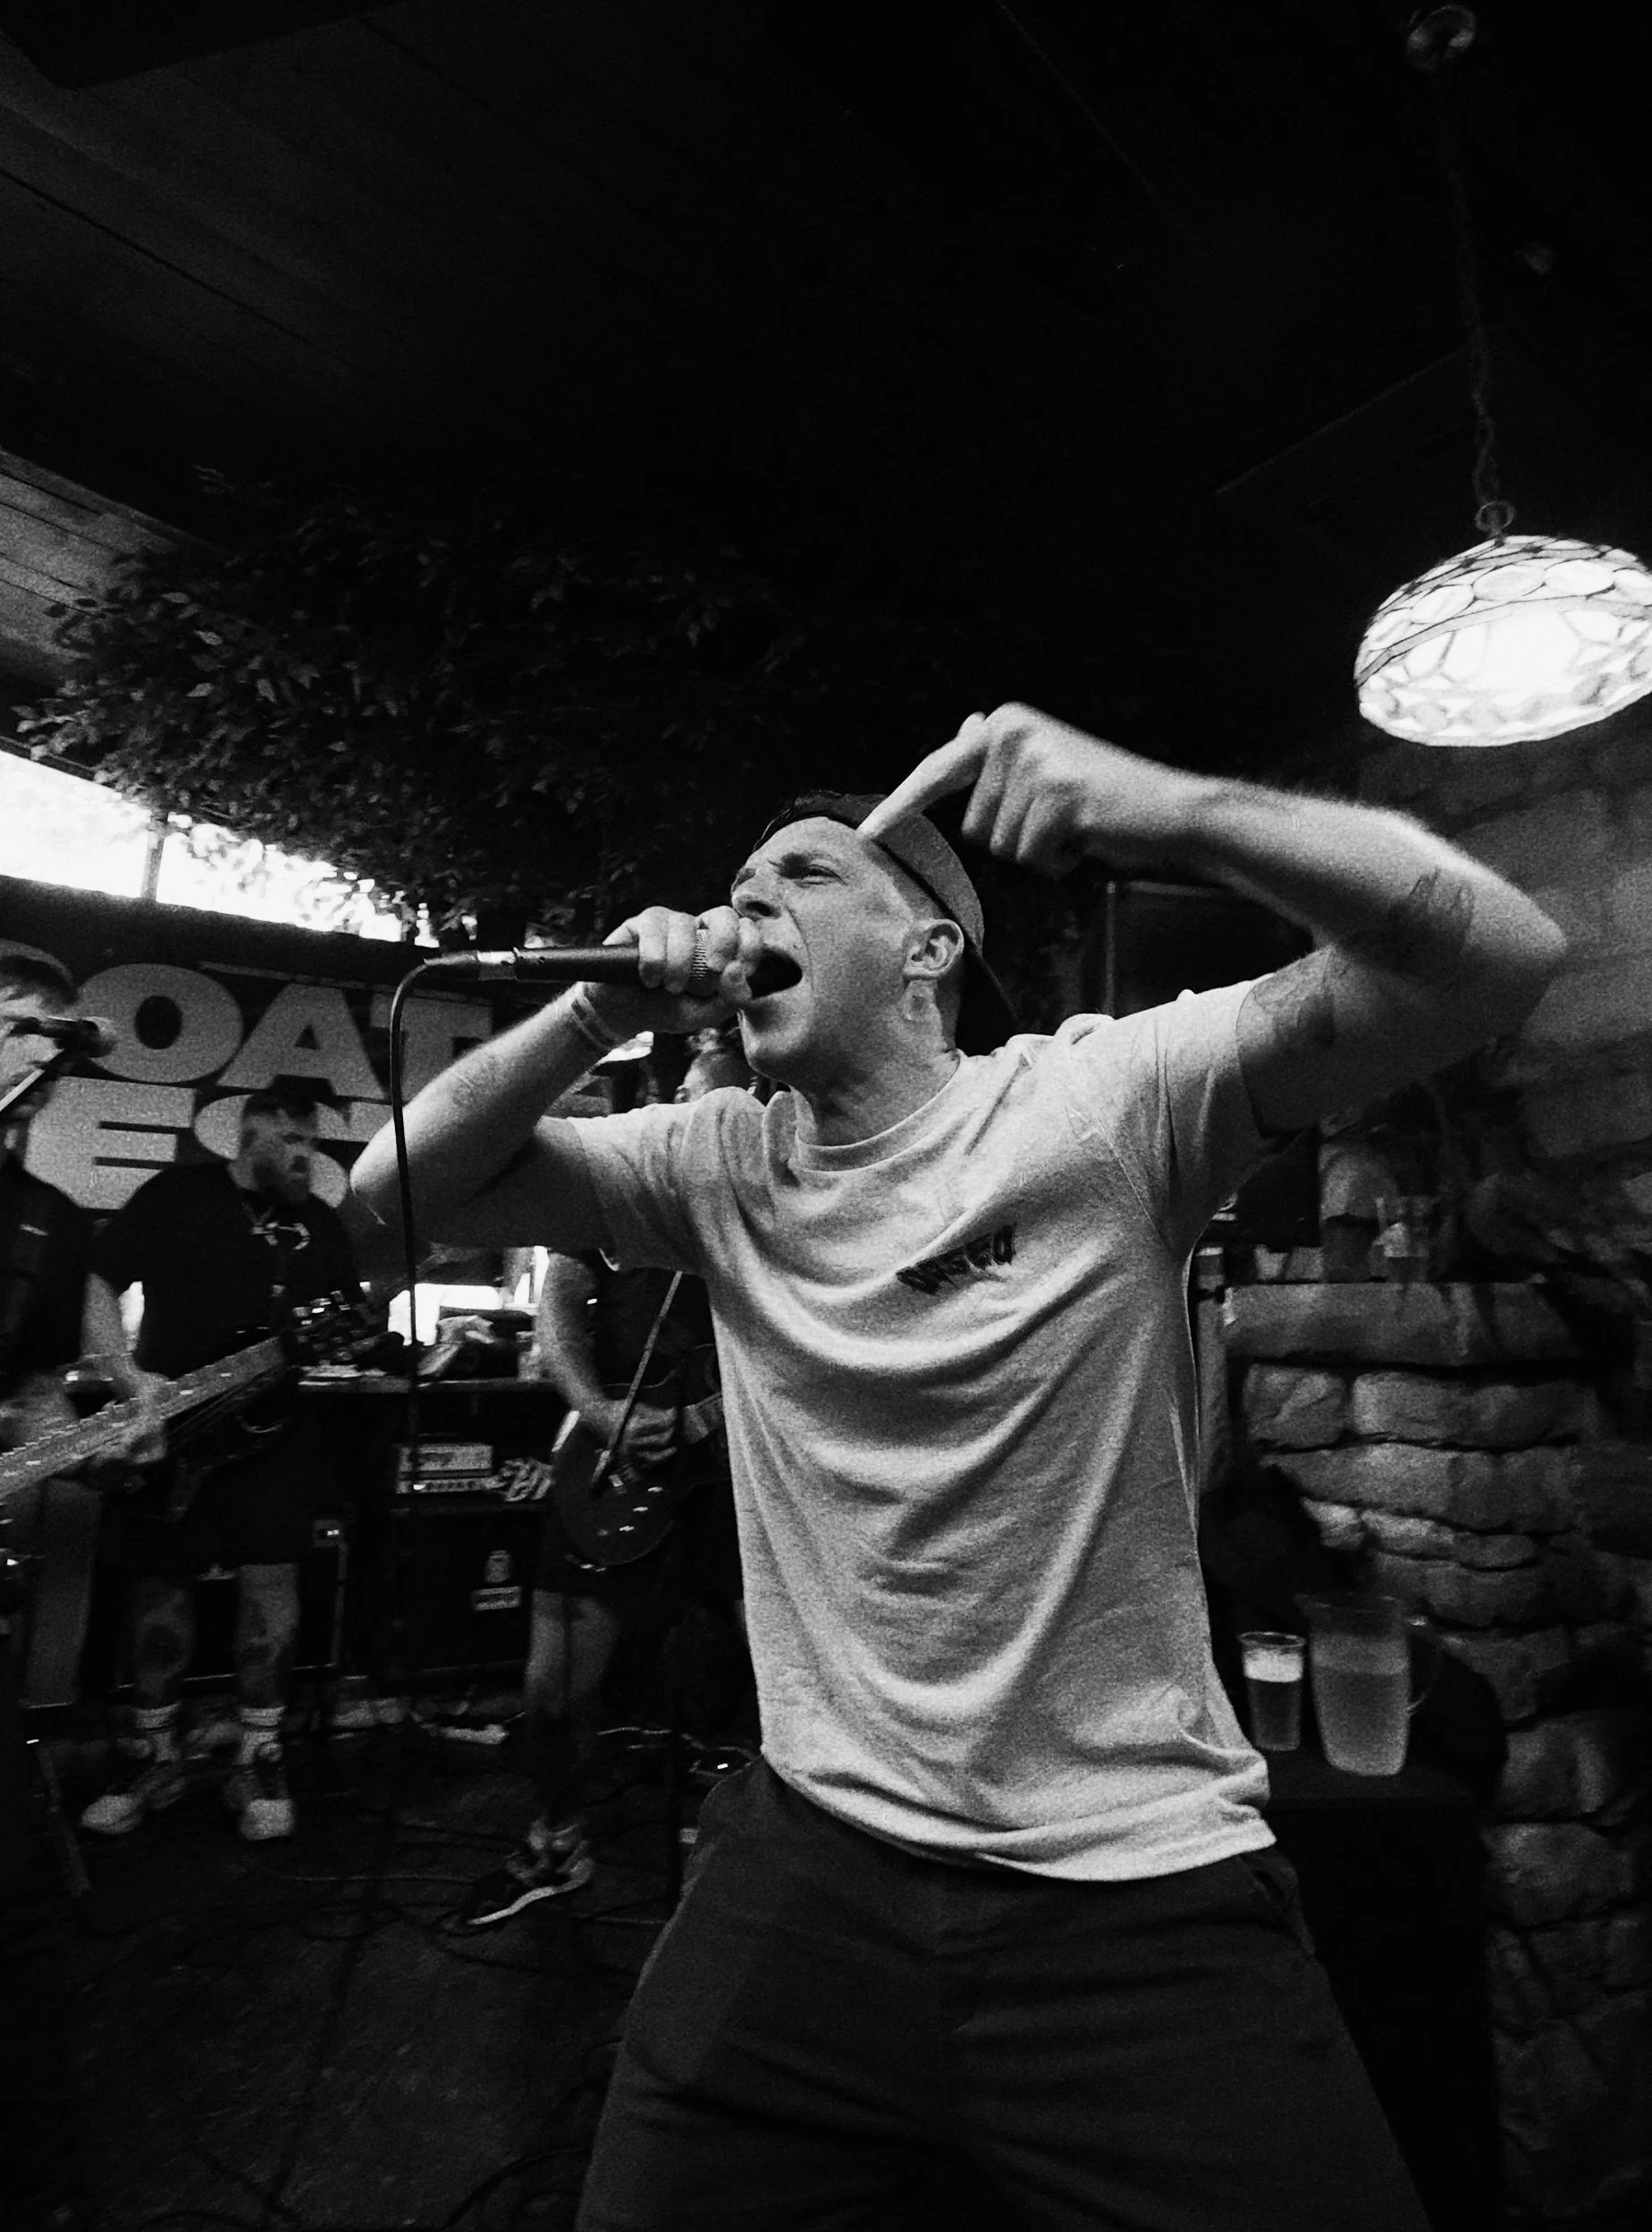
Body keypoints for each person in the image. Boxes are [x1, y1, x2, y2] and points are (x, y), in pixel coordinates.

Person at [353, 702, 1564, 2231]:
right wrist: (594, 1009)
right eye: (735, 886)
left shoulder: (1097, 1098)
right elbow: (387, 1196)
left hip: (1126, 1889)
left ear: (925, 948)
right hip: (809, 1865)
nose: (745, 906)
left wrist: (1173, 804)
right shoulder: (716, 1157)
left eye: (800, 874)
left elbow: (1494, 952)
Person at [460, 1036, 750, 1930]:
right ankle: (557, 1836)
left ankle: (758, 1855)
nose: (704, 1118)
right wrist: (591, 1405)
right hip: (618, 1459)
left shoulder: (785, 1192)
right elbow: (559, 1304)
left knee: (775, 1676)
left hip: (742, 1474)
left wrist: (714, 1416)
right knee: (552, 1688)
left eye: (726, 1102)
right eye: (695, 1096)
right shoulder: (627, 1185)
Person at [79, 1079, 361, 1844]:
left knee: (273, 1588)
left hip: (278, 1435)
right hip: (171, 1429)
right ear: (253, 1133)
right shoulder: (178, 1196)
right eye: (295, 1139)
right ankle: (153, 1755)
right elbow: (97, 1283)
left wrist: (353, 1341)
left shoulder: (321, 1226)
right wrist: (131, 1384)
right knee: (159, 1595)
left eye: (315, 1143)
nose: (308, 1156)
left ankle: (259, 1753)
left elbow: (349, 1322)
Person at [1, 954, 96, 2232]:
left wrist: (58, 1446)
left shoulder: (49, 1219)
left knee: (20, 1916)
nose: (43, 1057)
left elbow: (32, 1399)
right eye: (24, 1027)